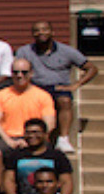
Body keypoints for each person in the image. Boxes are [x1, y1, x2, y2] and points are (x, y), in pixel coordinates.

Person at [19, 19, 94, 150]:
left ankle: (63, 139)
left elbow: (91, 68)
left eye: (44, 29)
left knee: (65, 100)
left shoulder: (67, 51)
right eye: (36, 30)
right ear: (32, 34)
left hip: (58, 87)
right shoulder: (24, 51)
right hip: (35, 87)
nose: (40, 33)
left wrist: (75, 85)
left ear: (52, 32)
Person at [0, 58, 55, 151]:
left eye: (24, 72)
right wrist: (9, 141)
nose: (19, 75)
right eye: (15, 72)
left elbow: (50, 124)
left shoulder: (43, 96)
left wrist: (32, 139)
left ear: (31, 73)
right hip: (8, 138)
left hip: (35, 137)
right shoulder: (0, 95)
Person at [5, 118, 73, 194]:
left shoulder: (57, 156)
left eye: (36, 132)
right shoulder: (16, 155)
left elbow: (66, 182)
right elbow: (9, 179)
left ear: (45, 134)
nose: (31, 136)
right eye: (28, 132)